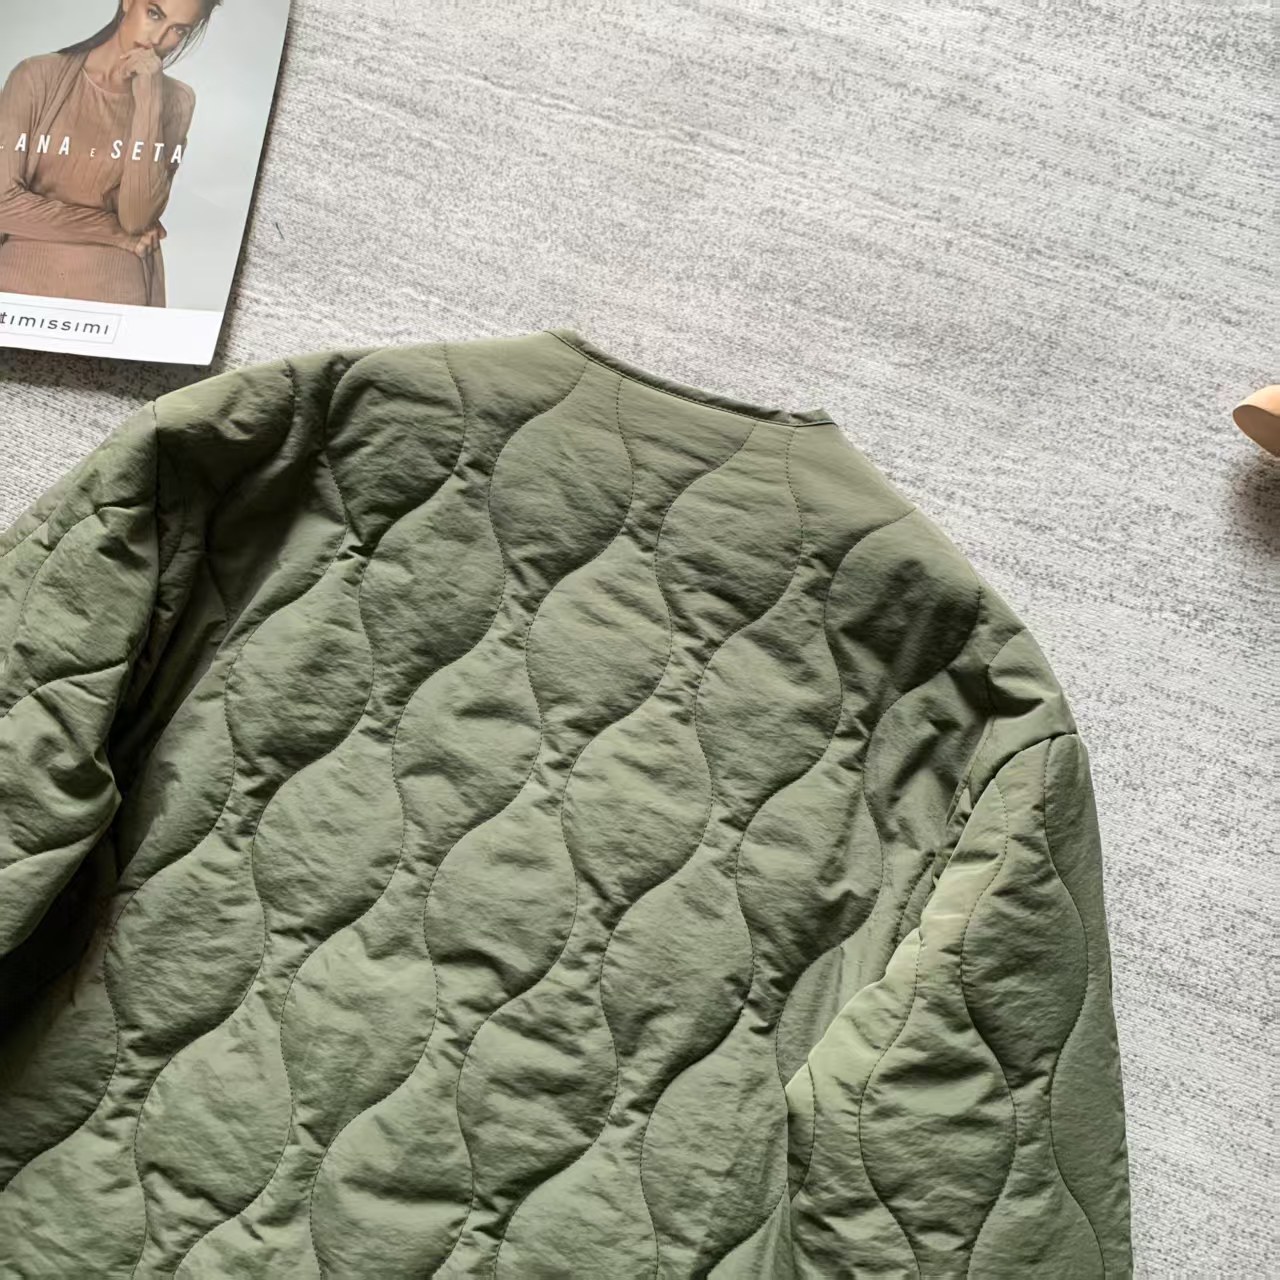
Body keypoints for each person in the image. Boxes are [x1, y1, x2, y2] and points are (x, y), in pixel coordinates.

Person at [0, 0, 221, 308]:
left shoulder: (177, 101)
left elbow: (137, 219)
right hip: (19, 284)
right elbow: (3, 204)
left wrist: (149, 99)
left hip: (116, 289)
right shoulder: (36, 76)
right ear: (128, 1)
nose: (157, 38)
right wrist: (112, 231)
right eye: (154, 14)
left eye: (178, 30)